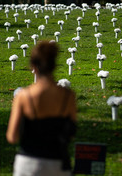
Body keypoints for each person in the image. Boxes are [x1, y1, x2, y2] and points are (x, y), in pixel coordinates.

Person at [6, 40, 77, 176]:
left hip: (28, 164)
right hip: (58, 163)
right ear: (54, 66)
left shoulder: (23, 96)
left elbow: (12, 137)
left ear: (33, 66)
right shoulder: (68, 96)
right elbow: (72, 132)